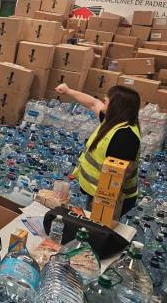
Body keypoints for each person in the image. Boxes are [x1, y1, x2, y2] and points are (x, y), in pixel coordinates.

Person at [55, 83, 141, 216]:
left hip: (108, 199)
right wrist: (68, 90)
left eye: (106, 102)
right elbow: (93, 103)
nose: (103, 105)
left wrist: (100, 212)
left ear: (116, 106)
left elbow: (115, 180)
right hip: (96, 192)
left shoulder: (125, 137)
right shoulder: (112, 121)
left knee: (97, 231)